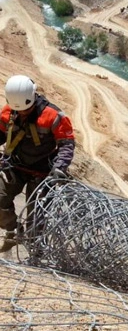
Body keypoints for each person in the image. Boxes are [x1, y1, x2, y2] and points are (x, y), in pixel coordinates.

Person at [0, 74, 75, 247]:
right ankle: (13, 231)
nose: (21, 113)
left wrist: (59, 168)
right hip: (15, 166)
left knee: (37, 218)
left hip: (42, 172)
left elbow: (66, 144)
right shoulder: (8, 112)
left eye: (25, 110)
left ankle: (34, 248)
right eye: (18, 110)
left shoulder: (53, 116)